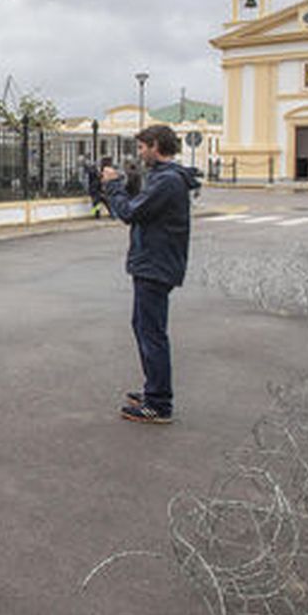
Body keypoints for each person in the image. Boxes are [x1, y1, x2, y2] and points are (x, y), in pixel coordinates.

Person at [101, 124, 200, 425]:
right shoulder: (163, 178)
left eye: (143, 147)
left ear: (156, 145)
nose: (140, 153)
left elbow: (130, 212)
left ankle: (158, 403)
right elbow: (140, 208)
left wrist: (113, 186)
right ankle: (153, 390)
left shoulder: (167, 181)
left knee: (151, 333)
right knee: (144, 327)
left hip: (155, 265)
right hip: (154, 263)